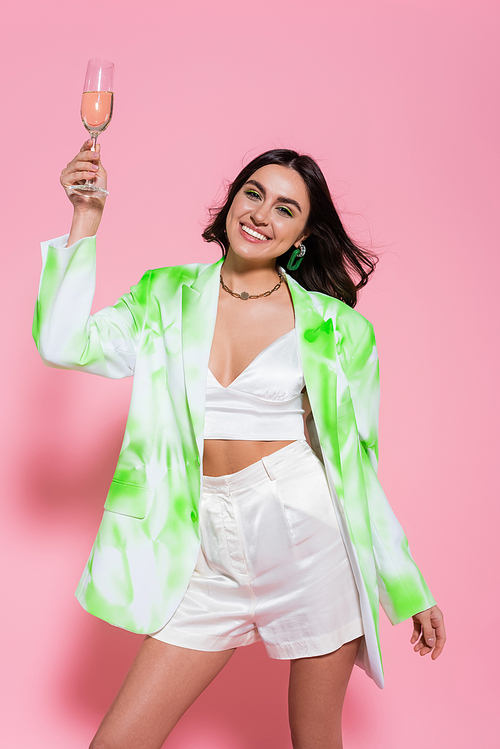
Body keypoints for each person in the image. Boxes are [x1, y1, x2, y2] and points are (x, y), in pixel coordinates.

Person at [33, 140, 446, 749]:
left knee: (313, 738)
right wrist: (85, 219)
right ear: (230, 204)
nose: (261, 213)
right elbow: (62, 343)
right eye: (253, 194)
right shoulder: (163, 294)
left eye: (286, 208)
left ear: (302, 235)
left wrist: (407, 583)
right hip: (201, 542)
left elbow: (357, 467)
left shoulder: (339, 329)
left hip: (309, 538)